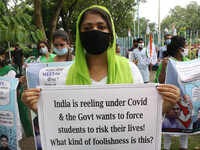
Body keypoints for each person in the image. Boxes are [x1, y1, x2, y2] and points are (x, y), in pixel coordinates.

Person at [22, 5, 179, 125]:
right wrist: (38, 108)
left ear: (110, 32)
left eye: (101, 27)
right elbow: (61, 122)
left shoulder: (130, 69)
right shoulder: (66, 75)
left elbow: (140, 120)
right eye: (87, 28)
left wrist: (164, 107)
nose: (94, 32)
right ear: (80, 35)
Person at [154, 35, 190, 150]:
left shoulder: (188, 62)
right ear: (180, 49)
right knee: (168, 124)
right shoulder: (167, 62)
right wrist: (164, 69)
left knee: (186, 124)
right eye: (186, 45)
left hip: (184, 99)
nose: (187, 47)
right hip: (170, 99)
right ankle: (166, 147)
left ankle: (184, 146)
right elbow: (160, 82)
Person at [0, 46, 33, 138]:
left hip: (7, 110)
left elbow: (15, 91)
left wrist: (18, 83)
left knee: (10, 137)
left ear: (2, 57)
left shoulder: (9, 71)